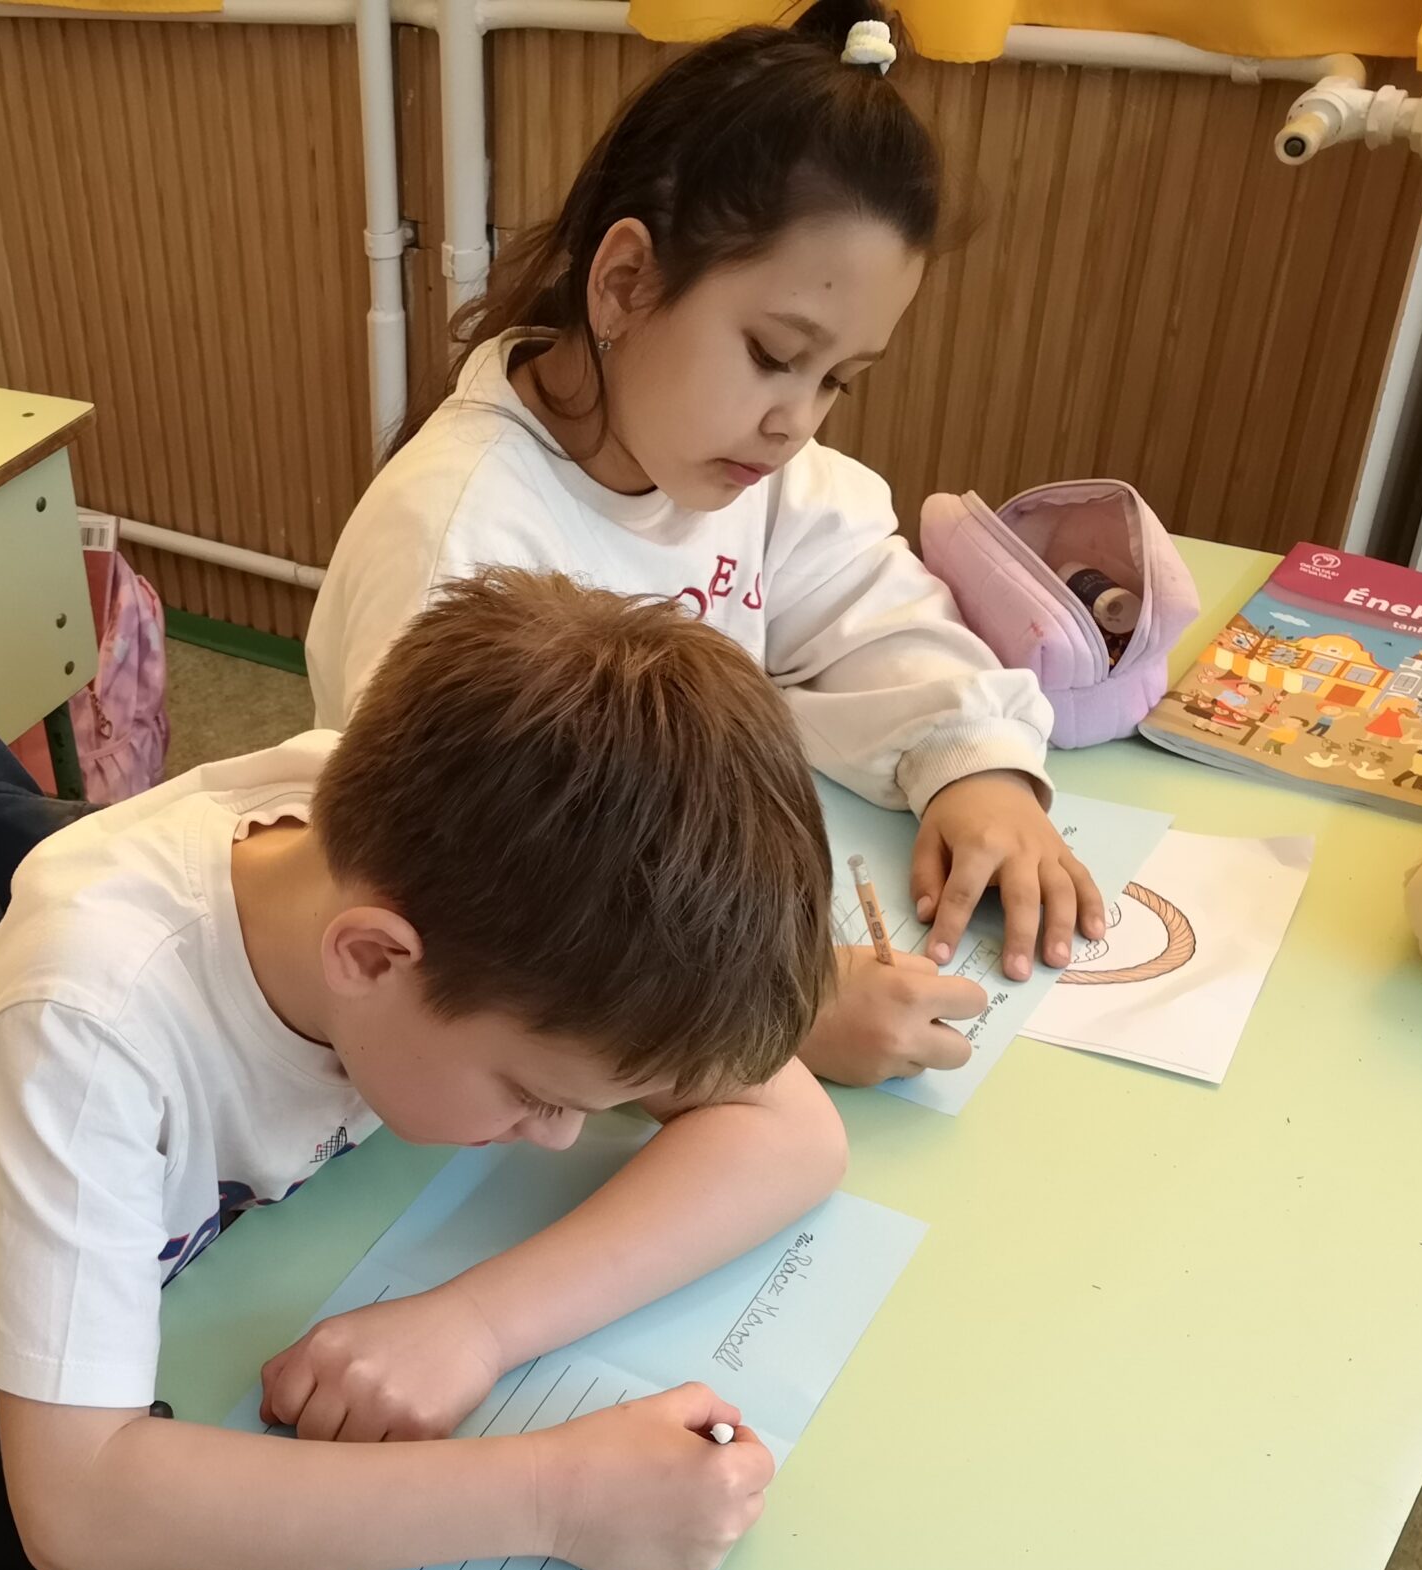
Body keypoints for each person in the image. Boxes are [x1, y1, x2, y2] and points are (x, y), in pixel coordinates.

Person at [0, 568, 847, 1570]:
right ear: (371, 960)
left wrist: (477, 1321)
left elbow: (791, 1132)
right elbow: (77, 1507)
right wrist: (551, 1496)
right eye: (535, 1095)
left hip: (258, 1249)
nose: (557, 1136)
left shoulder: (424, 854)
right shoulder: (89, 1022)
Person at [304, 0, 1104, 1089]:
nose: (796, 421)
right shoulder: (462, 540)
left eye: (838, 379)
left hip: (694, 943)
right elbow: (463, 909)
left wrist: (976, 767)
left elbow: (870, 601)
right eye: (773, 354)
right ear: (625, 283)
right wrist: (776, 1017)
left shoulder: (736, 463)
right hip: (503, 1052)